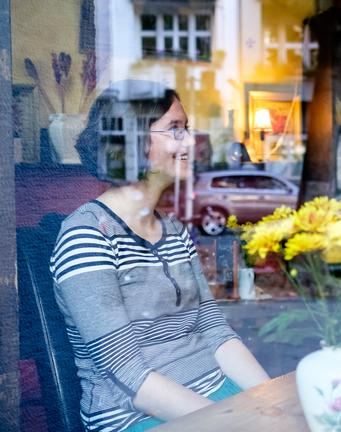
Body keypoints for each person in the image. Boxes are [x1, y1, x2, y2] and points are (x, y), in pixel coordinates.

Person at [50, 81, 270, 431]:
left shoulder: (174, 230)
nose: (189, 141)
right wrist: (235, 422)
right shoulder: (86, 236)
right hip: (139, 417)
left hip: (214, 399)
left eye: (186, 128)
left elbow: (215, 330)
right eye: (175, 129)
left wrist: (270, 400)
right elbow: (130, 378)